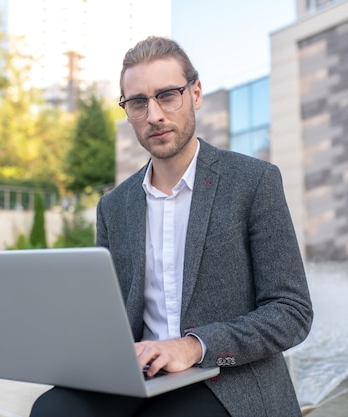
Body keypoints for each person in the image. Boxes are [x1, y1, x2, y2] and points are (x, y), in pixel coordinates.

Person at [30, 36, 313, 417]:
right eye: (138, 102)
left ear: (195, 93)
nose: (154, 115)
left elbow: (291, 311)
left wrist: (193, 346)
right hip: (138, 372)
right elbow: (109, 315)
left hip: (224, 376)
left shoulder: (253, 181)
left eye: (167, 95)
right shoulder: (113, 206)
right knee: (52, 410)